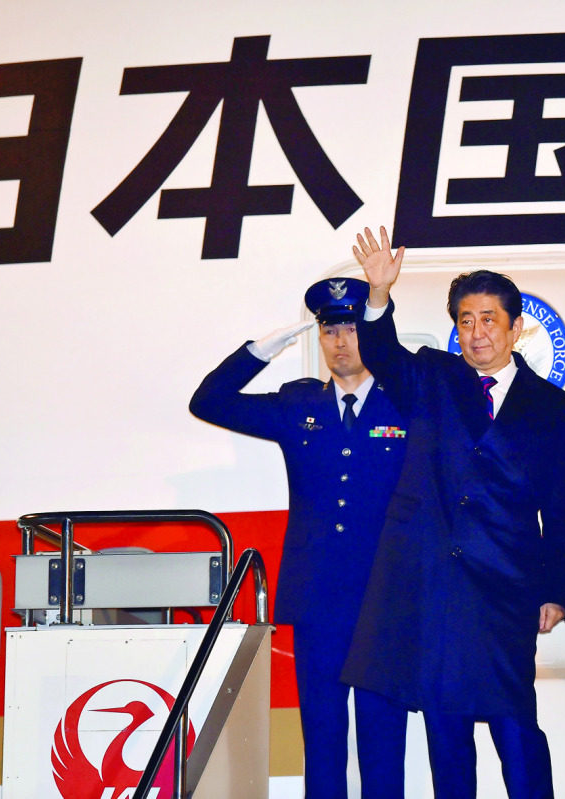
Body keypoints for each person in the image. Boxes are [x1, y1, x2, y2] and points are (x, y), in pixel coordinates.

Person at [340, 227, 565, 799]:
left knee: (515, 723)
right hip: (438, 588)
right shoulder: (432, 376)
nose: (477, 333)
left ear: (516, 326)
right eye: (466, 321)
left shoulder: (554, 407)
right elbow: (382, 353)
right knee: (446, 727)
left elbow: (561, 505)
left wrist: (555, 591)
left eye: (489, 319)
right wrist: (378, 295)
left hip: (506, 589)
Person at [190, 277, 408, 799]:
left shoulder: (405, 402)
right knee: (324, 740)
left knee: (383, 744)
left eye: (352, 328)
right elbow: (208, 401)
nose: (340, 341)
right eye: (330, 330)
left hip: (386, 601)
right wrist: (262, 350)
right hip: (318, 605)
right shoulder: (297, 404)